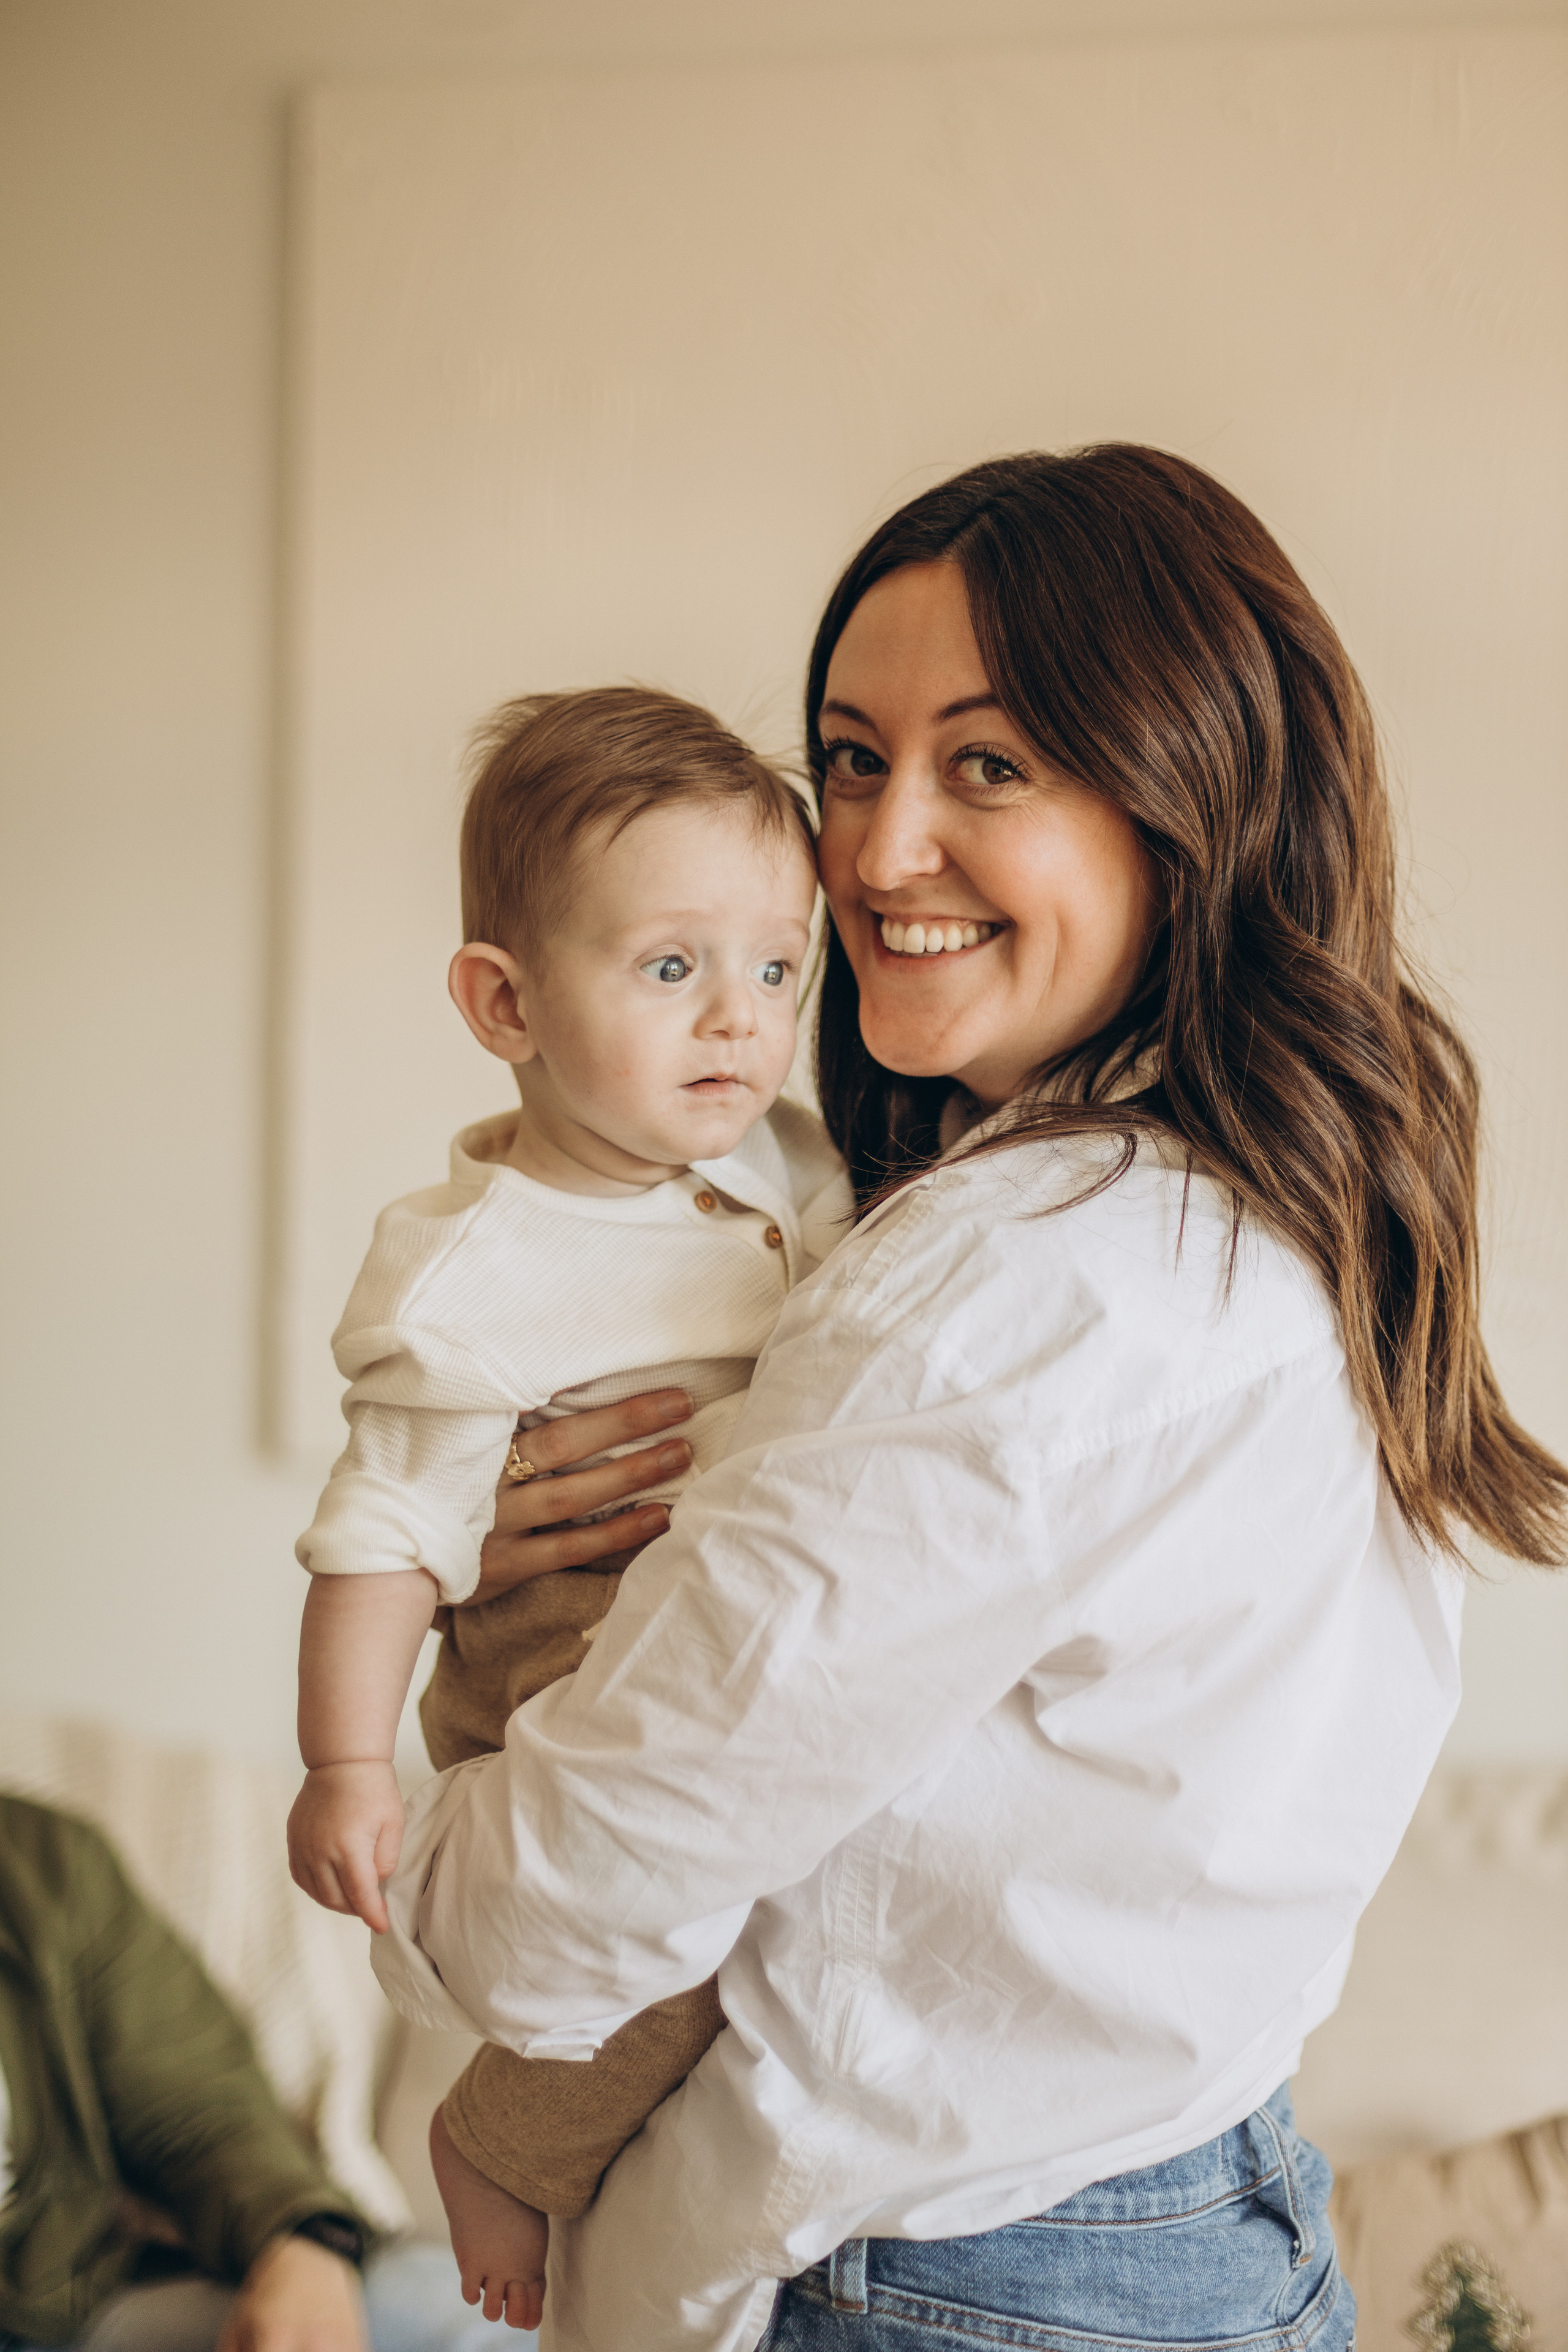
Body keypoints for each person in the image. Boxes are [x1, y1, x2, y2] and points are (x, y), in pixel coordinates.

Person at [372, 447, 1568, 2352]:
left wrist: (448, 1715)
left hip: (959, 2277)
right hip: (1199, 2204)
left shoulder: (1016, 1275)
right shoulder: (1271, 1195)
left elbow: (574, 1904)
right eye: (848, 757)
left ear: (1185, 795)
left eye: (985, 764)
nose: (868, 843)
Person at [287, 689, 852, 2330]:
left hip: (720, 1632)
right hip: (564, 1657)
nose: (738, 1022)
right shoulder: (474, 1265)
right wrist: (342, 1761)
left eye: (776, 968)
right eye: (673, 970)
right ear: (505, 1002)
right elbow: (385, 1527)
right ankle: (499, 2149)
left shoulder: (789, 1164)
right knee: (672, 1933)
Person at [0, 1790, 503, 2352]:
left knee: (476, 2321)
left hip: (70, 2303)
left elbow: (198, 2108)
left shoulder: (41, 1861)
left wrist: (303, 2243)